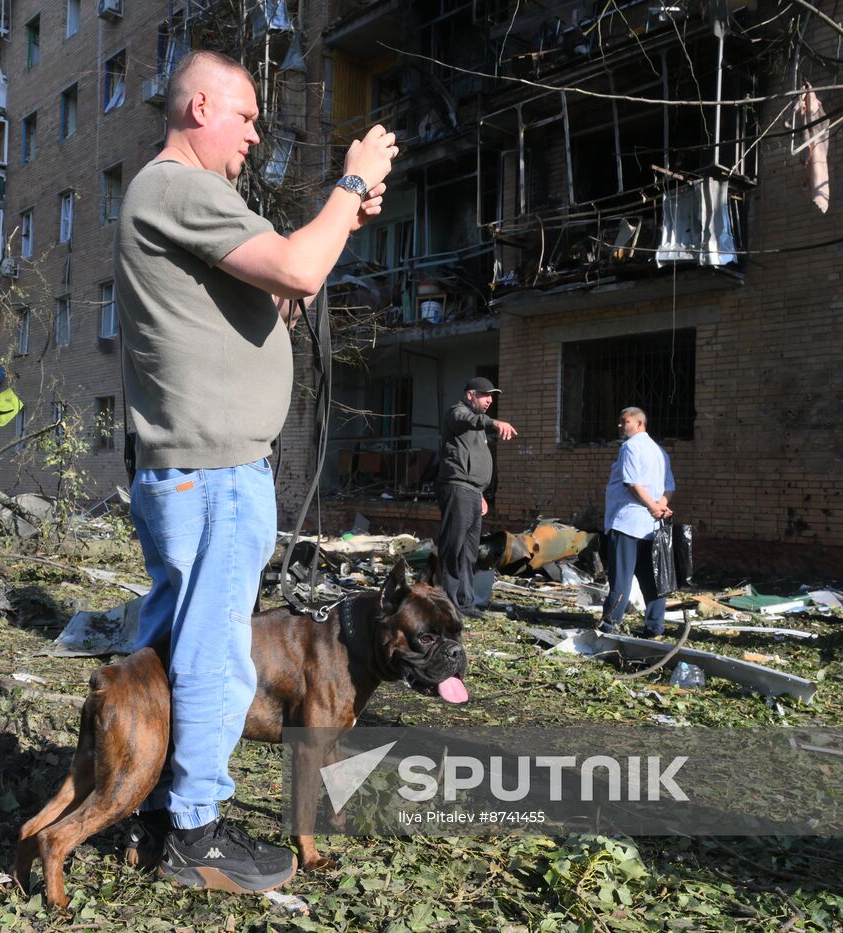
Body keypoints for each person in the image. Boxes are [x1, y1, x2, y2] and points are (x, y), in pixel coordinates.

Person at [114, 49, 396, 895]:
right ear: (201, 106)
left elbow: (286, 292)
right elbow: (298, 269)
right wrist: (348, 184)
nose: (253, 137)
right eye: (245, 119)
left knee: (172, 646)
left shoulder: (180, 200)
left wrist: (341, 220)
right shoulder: (179, 186)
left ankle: (153, 806)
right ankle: (197, 829)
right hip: (215, 472)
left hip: (199, 472)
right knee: (216, 655)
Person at [436, 376, 516, 619]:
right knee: (453, 547)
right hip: (457, 488)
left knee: (469, 552)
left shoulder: (476, 426)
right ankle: (447, 605)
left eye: (492, 396)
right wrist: (493, 423)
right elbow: (467, 419)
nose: (490, 400)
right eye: (485, 395)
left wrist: (479, 492)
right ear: (471, 395)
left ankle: (466, 603)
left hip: (472, 493)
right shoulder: (458, 413)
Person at [600, 407, 676, 638]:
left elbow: (632, 484)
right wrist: (660, 506)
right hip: (651, 526)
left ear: (640, 423)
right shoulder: (659, 451)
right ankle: (655, 627)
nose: (621, 426)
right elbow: (669, 487)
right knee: (651, 579)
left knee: (621, 580)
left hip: (627, 523)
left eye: (625, 422)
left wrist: (654, 507)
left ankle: (608, 627)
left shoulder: (630, 447)